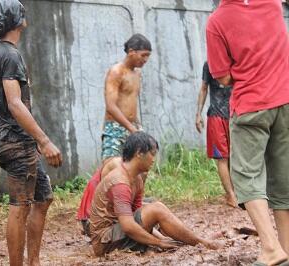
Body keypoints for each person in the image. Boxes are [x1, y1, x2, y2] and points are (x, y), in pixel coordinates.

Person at [206, 1, 289, 265]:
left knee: (246, 175)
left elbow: (222, 77)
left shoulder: (217, 22)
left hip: (251, 107)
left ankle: (271, 249)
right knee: (283, 179)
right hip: (285, 102)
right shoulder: (273, 5)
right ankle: (286, 249)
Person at [0, 2, 62, 265]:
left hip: (18, 141)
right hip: (15, 142)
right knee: (20, 206)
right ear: (16, 21)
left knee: (43, 198)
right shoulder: (9, 55)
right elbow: (15, 104)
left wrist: (34, 139)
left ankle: (33, 261)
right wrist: (44, 140)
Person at [89, 132, 222, 256]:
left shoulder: (137, 179)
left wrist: (162, 239)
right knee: (156, 208)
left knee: (154, 207)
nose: (154, 159)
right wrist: (158, 242)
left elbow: (140, 217)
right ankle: (203, 243)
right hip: (104, 243)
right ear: (139, 153)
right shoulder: (120, 182)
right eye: (152, 154)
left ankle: (197, 241)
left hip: (115, 234)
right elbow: (128, 226)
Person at [101, 34, 151, 162]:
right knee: (112, 167)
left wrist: (138, 127)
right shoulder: (116, 71)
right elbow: (111, 106)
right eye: (143, 55)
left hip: (133, 127)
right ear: (131, 52)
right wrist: (131, 128)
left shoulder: (137, 74)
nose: (146, 59)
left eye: (148, 56)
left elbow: (131, 103)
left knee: (140, 167)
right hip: (115, 128)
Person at [195, 61, 237, 207]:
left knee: (235, 155)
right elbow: (204, 88)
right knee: (222, 157)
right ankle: (231, 195)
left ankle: (236, 191)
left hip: (235, 114)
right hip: (216, 116)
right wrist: (198, 114)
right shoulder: (209, 64)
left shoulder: (236, 59)